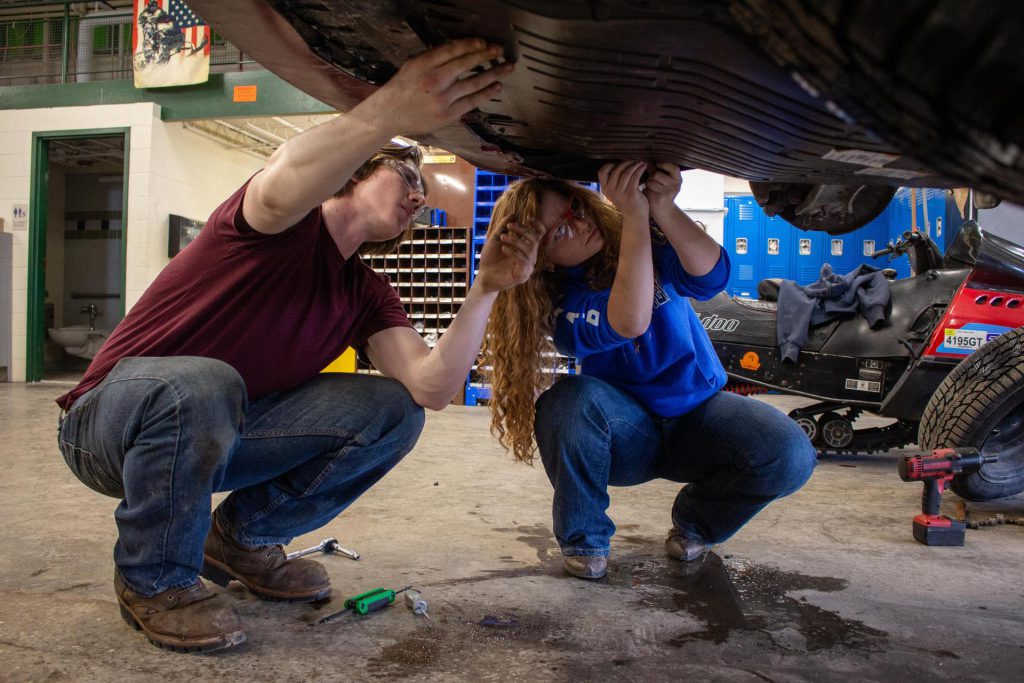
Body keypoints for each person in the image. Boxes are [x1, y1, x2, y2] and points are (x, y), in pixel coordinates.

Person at [55, 39, 540, 652]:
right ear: (361, 170)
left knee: (394, 411)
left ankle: (239, 540)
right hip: (108, 426)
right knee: (206, 381)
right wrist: (387, 112)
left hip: (213, 432)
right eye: (407, 177)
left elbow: (432, 386)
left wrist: (487, 288)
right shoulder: (275, 224)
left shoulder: (365, 291)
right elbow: (285, 179)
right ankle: (155, 579)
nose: (419, 198)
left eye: (422, 195)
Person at [481, 161, 816, 580]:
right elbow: (629, 321)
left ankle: (696, 523)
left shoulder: (644, 242)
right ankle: (584, 539)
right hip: (626, 434)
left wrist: (663, 206)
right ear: (543, 259)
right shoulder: (562, 304)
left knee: (790, 453)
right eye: (562, 230)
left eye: (574, 208)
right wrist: (636, 216)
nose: (581, 222)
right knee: (565, 402)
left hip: (698, 415)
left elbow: (713, 275)